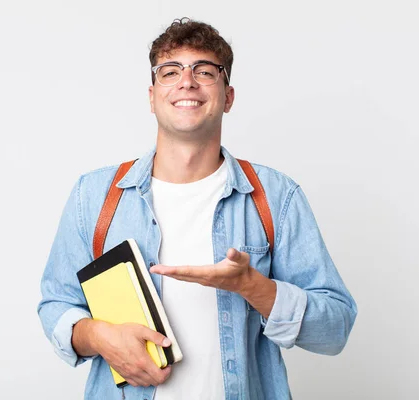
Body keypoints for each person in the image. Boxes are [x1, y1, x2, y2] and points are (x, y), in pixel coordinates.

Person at [38, 17, 357, 400]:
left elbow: (335, 329)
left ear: (229, 96)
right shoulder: (94, 196)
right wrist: (98, 335)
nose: (186, 81)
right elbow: (56, 305)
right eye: (170, 71)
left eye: (204, 71)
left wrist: (252, 286)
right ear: (152, 96)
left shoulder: (275, 197)